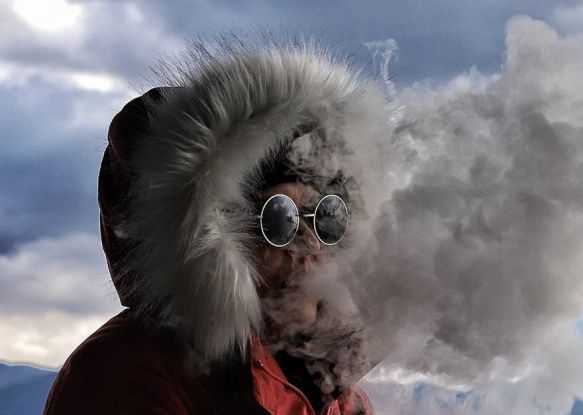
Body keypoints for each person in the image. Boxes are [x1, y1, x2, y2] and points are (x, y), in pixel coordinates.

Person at [44, 41, 385, 414]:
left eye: (327, 217)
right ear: (209, 242)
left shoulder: (335, 393)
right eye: (279, 219)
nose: (310, 246)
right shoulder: (126, 373)